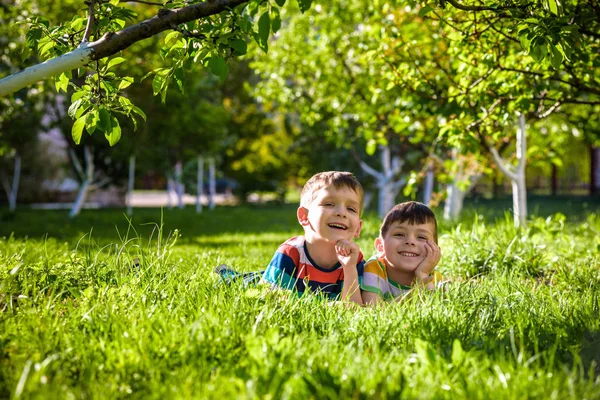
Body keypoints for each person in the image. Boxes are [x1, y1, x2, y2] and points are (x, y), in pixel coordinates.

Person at [261, 171, 366, 304]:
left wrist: (349, 267)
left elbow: (355, 308)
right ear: (304, 216)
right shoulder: (291, 253)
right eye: (329, 204)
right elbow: (269, 300)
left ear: (358, 228)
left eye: (351, 209)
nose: (341, 213)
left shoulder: (355, 259)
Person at [361, 201, 442, 305]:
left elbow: (439, 308)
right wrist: (416, 292)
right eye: (399, 234)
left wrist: (423, 275)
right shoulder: (375, 268)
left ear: (435, 249)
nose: (410, 241)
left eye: (421, 237)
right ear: (380, 245)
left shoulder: (433, 275)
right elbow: (372, 309)